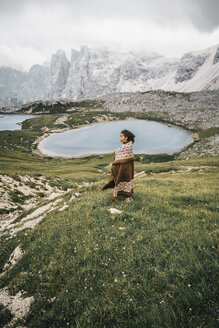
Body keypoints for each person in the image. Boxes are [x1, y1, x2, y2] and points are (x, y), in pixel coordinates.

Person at [102, 129, 135, 203]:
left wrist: (117, 152)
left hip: (126, 168)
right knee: (124, 181)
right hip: (124, 168)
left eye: (121, 136)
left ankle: (128, 197)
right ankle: (127, 196)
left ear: (126, 138)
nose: (120, 138)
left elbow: (119, 156)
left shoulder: (127, 148)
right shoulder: (128, 146)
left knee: (125, 180)